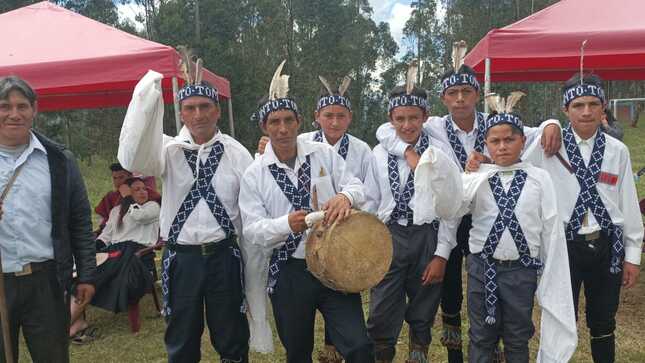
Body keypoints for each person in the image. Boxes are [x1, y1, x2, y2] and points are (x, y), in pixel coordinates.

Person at [374, 42, 562, 363]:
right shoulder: (433, 126)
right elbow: (386, 129)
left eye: (466, 91)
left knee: (488, 281)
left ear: (477, 94)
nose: (459, 99)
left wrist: (552, 124)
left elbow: (532, 133)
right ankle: (457, 354)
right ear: (443, 99)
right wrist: (407, 152)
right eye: (452, 93)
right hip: (451, 215)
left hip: (489, 215)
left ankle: (500, 348)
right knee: (449, 290)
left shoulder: (495, 124)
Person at [418, 92, 578, 362]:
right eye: (495, 141)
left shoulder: (539, 178)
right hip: (483, 270)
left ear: (523, 141)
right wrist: (439, 171)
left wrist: (550, 272)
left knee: (517, 337)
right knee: (481, 337)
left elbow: (551, 230)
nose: (502, 146)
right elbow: (450, 207)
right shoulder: (475, 178)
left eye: (509, 139)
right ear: (486, 144)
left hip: (521, 272)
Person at [118, 56, 252, 362]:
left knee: (231, 336)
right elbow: (134, 159)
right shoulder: (166, 150)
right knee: (181, 339)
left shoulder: (236, 153)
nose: (198, 114)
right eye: (190, 108)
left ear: (217, 110)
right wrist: (147, 95)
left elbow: (253, 204)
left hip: (224, 258)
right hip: (183, 259)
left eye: (205, 107)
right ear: (181, 113)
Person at [239, 61, 374, 363]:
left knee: (358, 345)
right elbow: (252, 229)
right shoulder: (255, 173)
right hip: (290, 271)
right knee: (298, 352)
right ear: (264, 126)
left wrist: (344, 196)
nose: (283, 128)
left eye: (289, 120)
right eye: (274, 122)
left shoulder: (322, 153)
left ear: (301, 121)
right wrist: (285, 224)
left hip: (333, 262)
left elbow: (357, 185)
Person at [520, 73, 643, 363]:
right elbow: (510, 146)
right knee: (559, 317)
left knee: (603, 322)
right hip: (564, 247)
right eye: (577, 105)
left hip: (606, 245)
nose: (586, 112)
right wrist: (547, 125)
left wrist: (633, 255)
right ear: (565, 110)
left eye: (592, 104)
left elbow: (627, 204)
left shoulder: (618, 151)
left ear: (604, 108)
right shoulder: (548, 146)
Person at [366, 67, 461, 363]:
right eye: (400, 119)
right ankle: (382, 354)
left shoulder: (439, 154)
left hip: (426, 237)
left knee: (423, 307)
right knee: (382, 307)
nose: (407, 125)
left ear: (425, 117)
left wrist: (442, 253)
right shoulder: (379, 154)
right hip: (389, 235)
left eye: (414, 118)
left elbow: (450, 206)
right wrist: (370, 241)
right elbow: (371, 199)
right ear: (390, 119)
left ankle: (418, 352)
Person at [0, 75, 96, 362]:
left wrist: (87, 275)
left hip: (47, 281)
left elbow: (79, 220)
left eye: (22, 106)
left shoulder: (58, 159)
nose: (14, 114)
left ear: (34, 110)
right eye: (5, 106)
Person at [69, 176, 160, 343]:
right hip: (115, 251)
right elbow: (107, 234)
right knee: (85, 273)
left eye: (144, 189)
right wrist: (96, 245)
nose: (142, 192)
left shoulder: (152, 207)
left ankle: (65, 327)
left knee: (93, 275)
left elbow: (140, 217)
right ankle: (76, 322)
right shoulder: (116, 211)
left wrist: (128, 197)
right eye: (137, 189)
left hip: (136, 252)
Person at [94, 162, 160, 235]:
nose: (117, 182)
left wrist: (127, 197)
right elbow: (106, 219)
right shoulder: (111, 196)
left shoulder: (145, 192)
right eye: (114, 178)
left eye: (121, 177)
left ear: (130, 176)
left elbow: (144, 215)